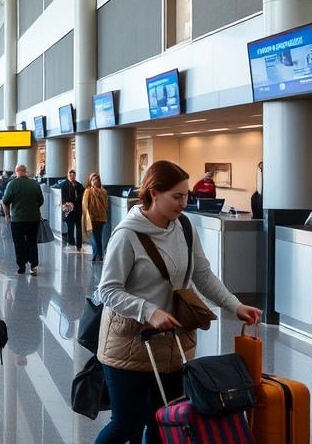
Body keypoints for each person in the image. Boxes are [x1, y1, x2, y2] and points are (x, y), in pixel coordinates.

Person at [94, 161, 262, 444]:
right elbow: (108, 290)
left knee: (164, 422)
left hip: (171, 343)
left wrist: (235, 305)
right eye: (177, 196)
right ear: (154, 193)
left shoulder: (184, 226)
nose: (184, 202)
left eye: (186, 195)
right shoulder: (127, 235)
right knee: (126, 424)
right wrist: (149, 311)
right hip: (129, 345)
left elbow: (203, 275)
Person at [1, 165, 44, 275]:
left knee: (19, 242)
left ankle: (21, 265)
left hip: (17, 219)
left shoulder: (12, 184)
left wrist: (7, 216)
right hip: (33, 219)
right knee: (32, 240)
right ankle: (33, 262)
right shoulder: (34, 184)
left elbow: (5, 202)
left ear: (16, 172)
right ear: (25, 171)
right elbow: (41, 201)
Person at [83, 172, 109, 263]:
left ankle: (99, 255)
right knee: (94, 237)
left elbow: (105, 205)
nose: (94, 182)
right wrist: (86, 217)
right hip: (92, 218)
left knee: (98, 237)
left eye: (96, 180)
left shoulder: (103, 192)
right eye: (93, 180)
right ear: (90, 181)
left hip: (101, 218)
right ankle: (97, 254)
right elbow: (85, 205)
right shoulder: (88, 191)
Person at [61, 169, 85, 251]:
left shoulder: (79, 185)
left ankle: (79, 244)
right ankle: (71, 241)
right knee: (70, 226)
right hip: (69, 209)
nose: (72, 177)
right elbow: (64, 196)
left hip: (78, 209)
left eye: (74, 175)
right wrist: (67, 203)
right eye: (71, 175)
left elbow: (82, 195)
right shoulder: (65, 185)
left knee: (78, 227)